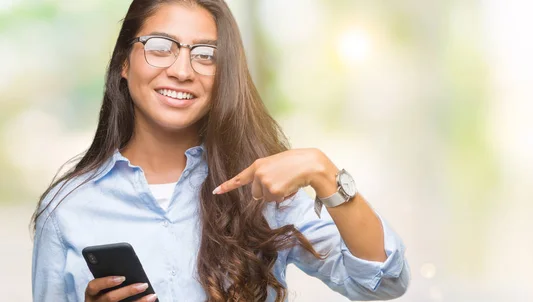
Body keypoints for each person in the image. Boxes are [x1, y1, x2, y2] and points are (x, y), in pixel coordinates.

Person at [31, 0, 411, 301]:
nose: (182, 70)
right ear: (123, 64)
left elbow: (382, 282)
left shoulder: (264, 190)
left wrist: (325, 173)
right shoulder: (67, 207)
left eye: (206, 54)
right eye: (160, 47)